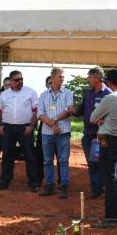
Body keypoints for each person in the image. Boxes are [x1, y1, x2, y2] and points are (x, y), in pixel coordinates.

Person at [91, 68, 117, 225]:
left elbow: (93, 117)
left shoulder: (111, 97)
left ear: (109, 82)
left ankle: (110, 215)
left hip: (108, 141)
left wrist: (104, 119)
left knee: (110, 178)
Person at [0, 70, 40, 192]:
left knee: (30, 156)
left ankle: (33, 183)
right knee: (7, 156)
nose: (20, 81)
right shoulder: (4, 94)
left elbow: (36, 111)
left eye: (21, 79)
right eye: (16, 80)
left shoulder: (30, 92)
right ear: (10, 81)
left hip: (25, 128)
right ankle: (5, 181)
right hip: (8, 128)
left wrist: (31, 126)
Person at [75, 67, 112, 198]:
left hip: (102, 135)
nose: (88, 79)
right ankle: (96, 189)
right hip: (88, 135)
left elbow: (112, 114)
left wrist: (103, 121)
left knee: (102, 162)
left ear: (96, 78)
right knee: (92, 163)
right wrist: (72, 110)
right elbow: (80, 111)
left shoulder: (108, 94)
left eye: (89, 77)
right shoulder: (88, 94)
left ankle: (101, 187)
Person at [37, 67, 74, 198]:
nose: (62, 79)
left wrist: (55, 120)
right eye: (60, 76)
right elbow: (40, 113)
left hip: (63, 132)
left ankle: (63, 186)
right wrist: (52, 124)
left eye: (63, 77)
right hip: (47, 133)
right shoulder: (43, 95)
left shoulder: (68, 93)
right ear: (52, 78)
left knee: (63, 160)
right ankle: (50, 185)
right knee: (47, 160)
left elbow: (68, 110)